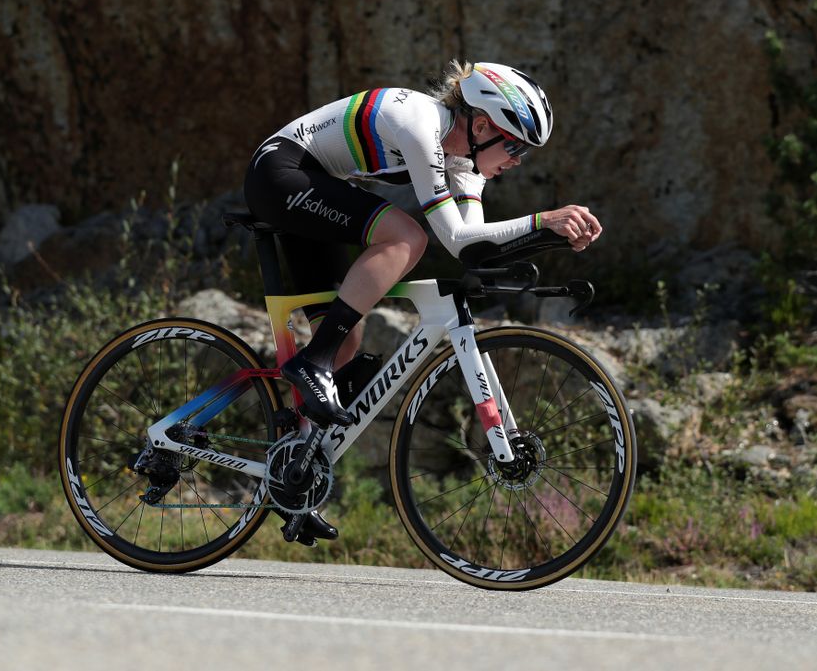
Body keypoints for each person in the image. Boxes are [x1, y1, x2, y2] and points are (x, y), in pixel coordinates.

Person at [243, 60, 602, 544]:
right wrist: (544, 220)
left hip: (322, 185)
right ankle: (314, 361)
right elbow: (450, 235)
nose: (517, 160)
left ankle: (295, 479)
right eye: (514, 145)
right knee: (405, 236)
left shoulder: (465, 165)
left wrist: (553, 236)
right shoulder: (419, 125)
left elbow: (471, 245)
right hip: (281, 171)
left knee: (347, 335)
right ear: (479, 125)